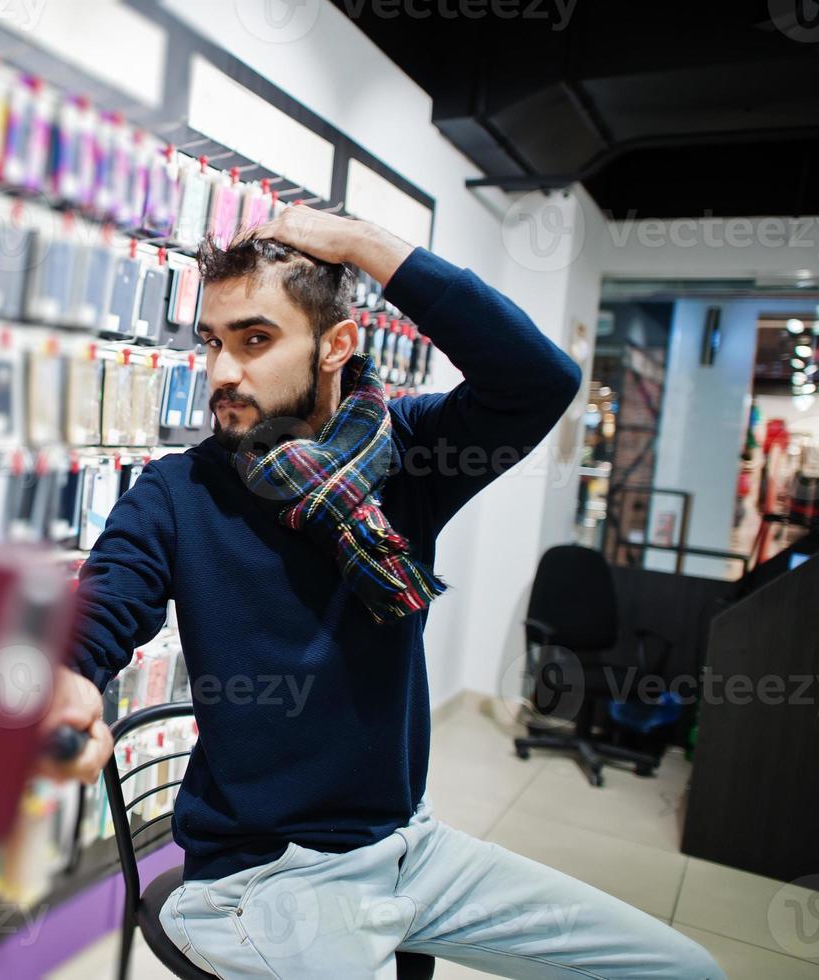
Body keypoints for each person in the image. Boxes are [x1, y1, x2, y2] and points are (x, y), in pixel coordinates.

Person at [38, 209, 723, 978]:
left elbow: (538, 379)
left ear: (336, 346)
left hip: (409, 846)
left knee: (683, 968)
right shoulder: (176, 492)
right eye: (212, 342)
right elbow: (97, 613)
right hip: (260, 874)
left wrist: (364, 245)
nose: (222, 371)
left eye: (254, 340)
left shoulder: (407, 457)